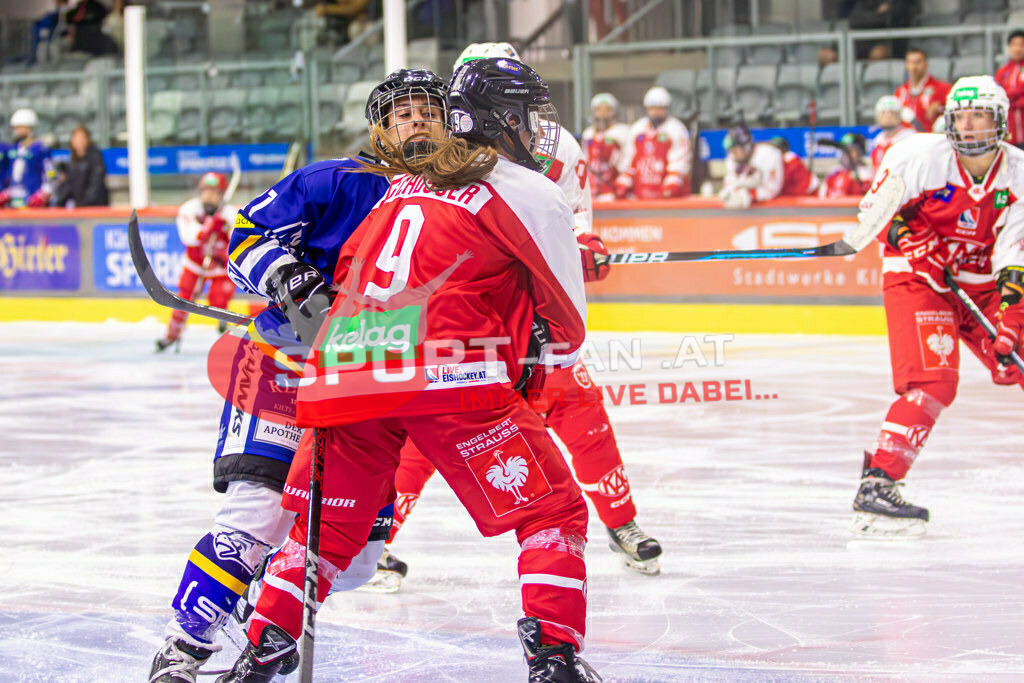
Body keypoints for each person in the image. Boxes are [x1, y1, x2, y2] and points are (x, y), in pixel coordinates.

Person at [216, 57, 601, 682]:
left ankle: (264, 647)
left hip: (341, 373)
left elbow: (349, 277)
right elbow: (568, 332)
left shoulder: (402, 185)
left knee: (325, 535)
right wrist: (526, 346)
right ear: (503, 120)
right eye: (528, 120)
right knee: (552, 512)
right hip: (449, 374)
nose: (536, 134)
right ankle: (554, 656)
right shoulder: (532, 192)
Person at [147, 68, 448, 683]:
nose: (416, 122)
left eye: (429, 113)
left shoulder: (459, 201)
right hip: (284, 369)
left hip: (372, 388)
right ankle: (185, 648)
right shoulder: (334, 180)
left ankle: (265, 611)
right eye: (403, 113)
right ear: (380, 127)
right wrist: (290, 276)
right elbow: (247, 234)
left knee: (360, 560)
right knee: (254, 520)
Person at [368, 45, 660, 594]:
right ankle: (378, 538)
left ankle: (622, 522)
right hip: (476, 327)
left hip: (529, 323)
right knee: (425, 436)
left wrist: (583, 245)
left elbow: (574, 218)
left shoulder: (557, 147)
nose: (533, 126)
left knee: (580, 409)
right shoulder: (441, 152)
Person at [851, 75, 1024, 537]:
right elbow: (873, 215)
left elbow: (1014, 255)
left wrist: (1010, 323)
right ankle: (879, 483)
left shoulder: (1019, 173)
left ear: (1000, 120)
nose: (969, 126)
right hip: (917, 277)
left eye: (979, 115)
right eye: (961, 116)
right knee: (934, 381)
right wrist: (911, 238)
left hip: (982, 281)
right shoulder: (920, 155)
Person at [155, 173, 238, 352]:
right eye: (205, 191)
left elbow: (236, 244)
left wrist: (224, 232)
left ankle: (224, 321)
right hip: (195, 265)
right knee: (183, 301)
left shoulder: (231, 215)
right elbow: (188, 236)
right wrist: (206, 229)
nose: (208, 196)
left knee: (219, 298)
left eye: (214, 192)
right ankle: (172, 334)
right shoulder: (189, 209)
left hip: (219, 269)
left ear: (222, 194)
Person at [615, 86, 691, 199]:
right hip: (640, 194)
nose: (656, 112)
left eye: (660, 108)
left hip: (669, 197)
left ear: (667, 108)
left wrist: (672, 184)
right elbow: (629, 159)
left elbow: (680, 161)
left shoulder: (676, 128)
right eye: (652, 108)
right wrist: (624, 183)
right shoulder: (637, 128)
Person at [718, 124, 784, 209]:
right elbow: (730, 184)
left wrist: (749, 194)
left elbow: (772, 190)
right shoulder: (732, 158)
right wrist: (731, 193)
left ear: (746, 147)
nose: (732, 154)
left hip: (791, 199)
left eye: (735, 150)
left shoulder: (769, 154)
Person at [0, 109, 53, 209]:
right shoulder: (13, 150)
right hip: (13, 202)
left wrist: (45, 192)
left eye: (21, 127)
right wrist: (5, 192)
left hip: (33, 201)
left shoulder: (40, 150)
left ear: (30, 128)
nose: (17, 131)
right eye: (16, 128)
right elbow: (8, 174)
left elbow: (50, 172)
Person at [582, 92, 631, 200]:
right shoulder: (588, 133)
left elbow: (628, 159)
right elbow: (586, 160)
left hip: (613, 187)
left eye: (607, 110)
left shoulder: (622, 132)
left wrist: (624, 180)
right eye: (599, 110)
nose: (602, 114)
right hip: (592, 189)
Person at [895, 47, 951, 133]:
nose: (914, 66)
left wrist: (941, 108)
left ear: (926, 64)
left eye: (918, 62)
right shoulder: (900, 91)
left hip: (931, 138)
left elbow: (955, 111)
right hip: (905, 139)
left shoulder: (943, 88)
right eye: (910, 62)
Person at [52, 124, 108, 207]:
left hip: (95, 207)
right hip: (79, 207)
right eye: (76, 138)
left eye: (82, 138)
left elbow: (96, 184)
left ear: (88, 139)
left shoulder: (95, 157)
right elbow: (69, 185)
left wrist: (84, 203)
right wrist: (59, 203)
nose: (79, 141)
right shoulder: (72, 160)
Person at [869, 95, 915, 172]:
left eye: (892, 113)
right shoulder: (877, 141)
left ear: (899, 116)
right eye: (883, 113)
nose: (887, 117)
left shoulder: (910, 137)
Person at [995, 30, 1024, 149]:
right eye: (1014, 45)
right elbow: (998, 95)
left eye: (1021, 45)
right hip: (1009, 134)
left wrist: (1013, 100)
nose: (1017, 48)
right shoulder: (1002, 72)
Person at [820, 133, 873, 198]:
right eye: (844, 150)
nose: (847, 154)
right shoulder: (833, 173)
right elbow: (822, 197)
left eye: (851, 150)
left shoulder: (866, 174)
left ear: (860, 152)